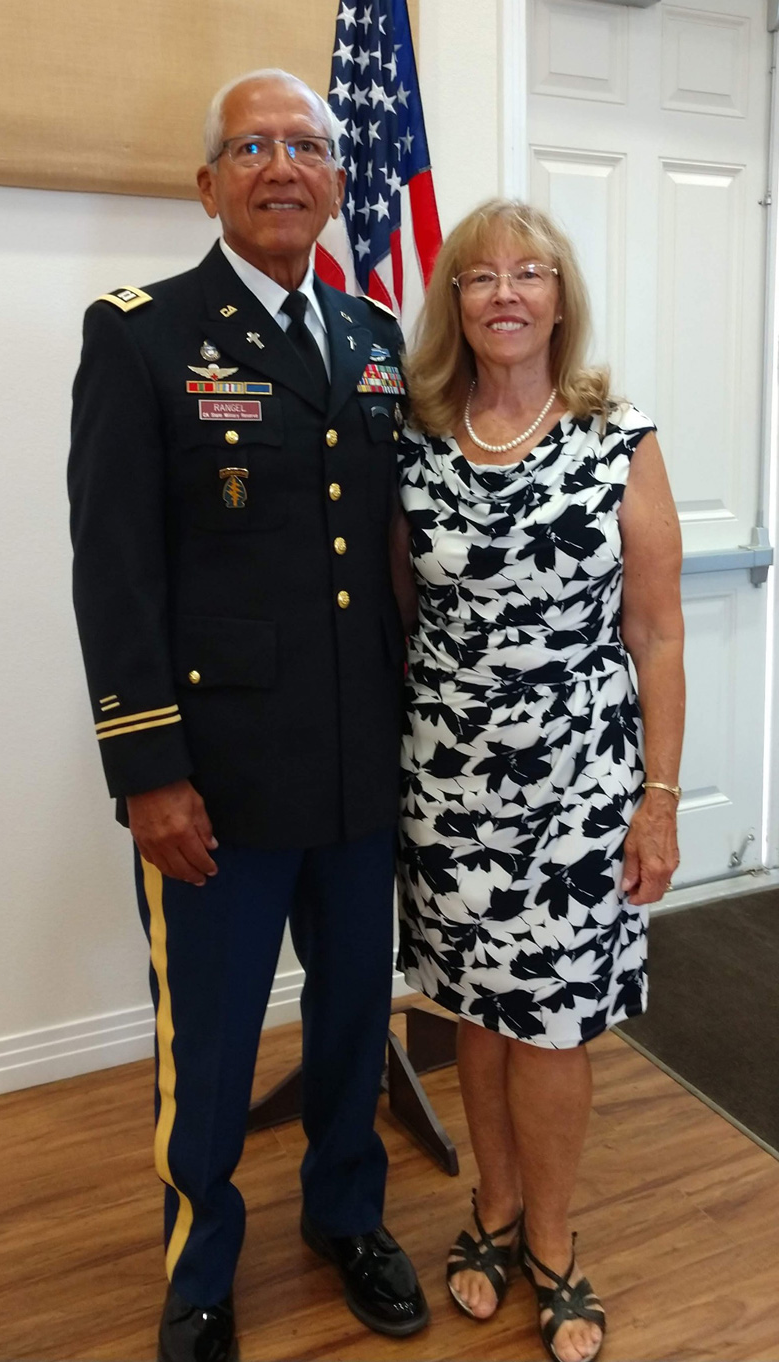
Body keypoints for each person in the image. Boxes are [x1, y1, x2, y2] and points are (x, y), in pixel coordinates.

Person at [68, 68, 428, 1362]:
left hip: (357, 773)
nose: (285, 166)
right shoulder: (142, 333)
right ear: (209, 182)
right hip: (216, 779)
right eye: (254, 146)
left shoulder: (382, 339)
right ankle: (201, 1267)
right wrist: (148, 769)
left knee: (348, 1020)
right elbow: (114, 572)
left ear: (339, 179)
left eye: (309, 147)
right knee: (212, 1043)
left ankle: (347, 1212)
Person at [393, 200, 684, 1362]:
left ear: (560, 298)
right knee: (471, 1012)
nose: (503, 293)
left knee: (552, 1028)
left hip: (580, 786)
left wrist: (657, 802)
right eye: (478, 277)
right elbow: (408, 619)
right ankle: (491, 1213)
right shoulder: (413, 437)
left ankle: (553, 1246)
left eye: (529, 273)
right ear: (452, 303)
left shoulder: (618, 437)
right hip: (447, 783)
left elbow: (656, 635)